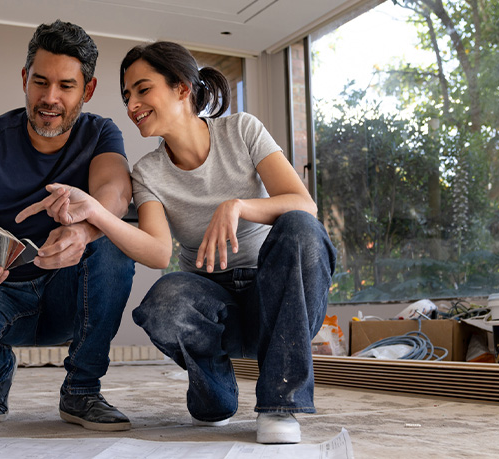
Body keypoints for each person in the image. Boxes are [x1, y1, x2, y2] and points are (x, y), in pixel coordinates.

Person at [17, 41, 335, 444]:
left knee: (301, 228)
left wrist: (236, 206)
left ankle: (280, 404)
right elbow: (157, 253)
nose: (132, 105)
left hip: (277, 296)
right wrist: (95, 213)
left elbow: (304, 204)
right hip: (211, 304)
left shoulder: (241, 130)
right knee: (163, 300)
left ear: (182, 88)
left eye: (143, 90)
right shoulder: (148, 172)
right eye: (127, 95)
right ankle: (214, 387)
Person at [0, 20, 136, 432]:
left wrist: (83, 229)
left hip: (71, 296)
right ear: (24, 78)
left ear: (88, 91)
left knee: (112, 241)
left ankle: (81, 390)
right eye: (40, 82)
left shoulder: (101, 133)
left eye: (66, 86)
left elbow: (115, 191)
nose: (50, 98)